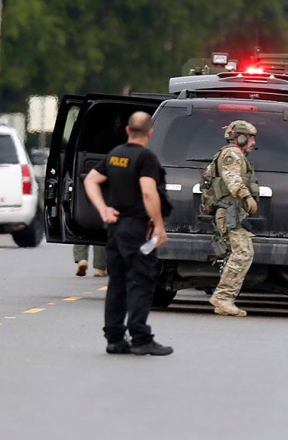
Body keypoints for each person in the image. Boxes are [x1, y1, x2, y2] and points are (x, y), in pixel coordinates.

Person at [83, 111, 173, 356]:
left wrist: (103, 210)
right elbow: (147, 192)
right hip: (136, 228)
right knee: (141, 282)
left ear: (127, 130)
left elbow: (90, 180)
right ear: (150, 133)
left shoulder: (115, 155)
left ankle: (114, 338)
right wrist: (158, 224)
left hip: (115, 228)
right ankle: (141, 338)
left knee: (118, 283)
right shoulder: (146, 158)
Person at [207, 120, 259, 317]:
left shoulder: (233, 154)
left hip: (232, 211)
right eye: (250, 137)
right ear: (240, 137)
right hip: (230, 210)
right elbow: (232, 179)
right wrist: (246, 196)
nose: (253, 142)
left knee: (240, 253)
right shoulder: (232, 153)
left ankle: (224, 299)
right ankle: (223, 297)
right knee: (242, 253)